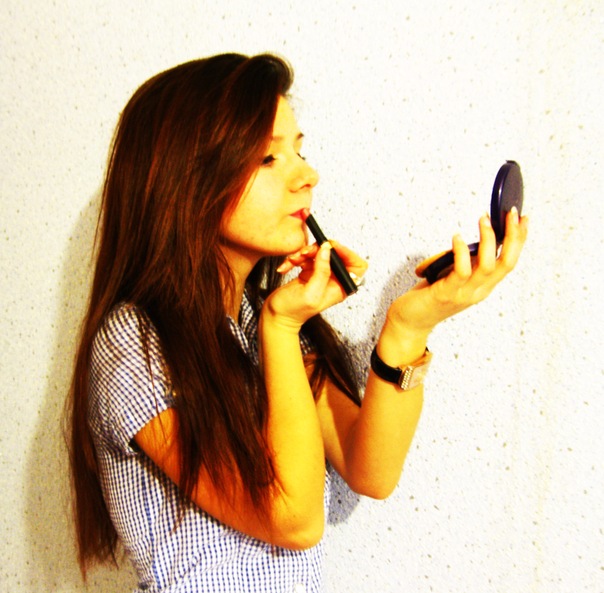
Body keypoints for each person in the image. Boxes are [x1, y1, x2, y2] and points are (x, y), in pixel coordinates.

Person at [65, 53, 528, 593]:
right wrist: (282, 327)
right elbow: (293, 519)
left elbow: (372, 470)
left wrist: (408, 329)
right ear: (185, 181)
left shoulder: (255, 321)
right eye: (268, 158)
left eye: (299, 151)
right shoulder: (135, 341)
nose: (307, 175)